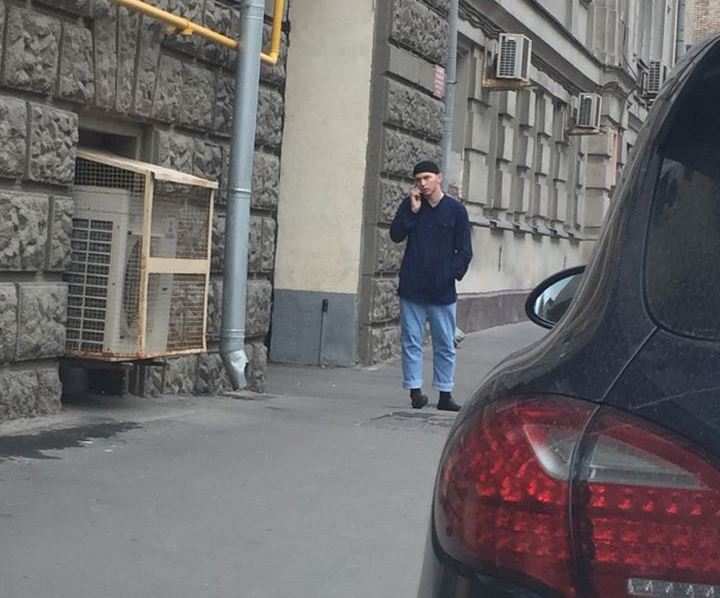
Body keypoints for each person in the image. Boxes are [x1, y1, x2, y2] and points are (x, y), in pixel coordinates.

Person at [390, 160, 473, 412]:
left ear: (439, 177)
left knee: (445, 343)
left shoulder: (456, 210)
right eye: (418, 180)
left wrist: (451, 274)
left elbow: (464, 250)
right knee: (411, 341)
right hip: (412, 285)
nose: (423, 184)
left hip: (442, 289)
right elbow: (396, 235)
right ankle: (415, 391)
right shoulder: (411, 206)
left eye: (427, 177)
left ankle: (445, 393)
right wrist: (413, 212)